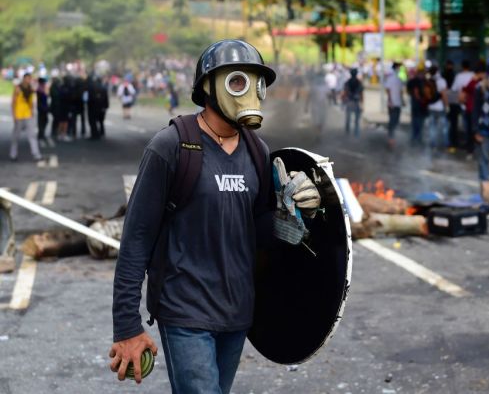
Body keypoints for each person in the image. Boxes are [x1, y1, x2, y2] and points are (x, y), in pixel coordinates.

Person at [110, 40, 320, 393]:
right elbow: (136, 239)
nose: (250, 93)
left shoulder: (257, 150)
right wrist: (127, 326)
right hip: (185, 311)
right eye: (238, 82)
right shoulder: (171, 147)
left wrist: (296, 214)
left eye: (257, 83)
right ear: (208, 86)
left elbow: (257, 232)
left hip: (237, 313)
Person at [9, 73, 42, 162]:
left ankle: (36, 154)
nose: (28, 80)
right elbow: (13, 102)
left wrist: (32, 112)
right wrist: (14, 115)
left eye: (29, 79)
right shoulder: (18, 88)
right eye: (27, 79)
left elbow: (32, 99)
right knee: (15, 136)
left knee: (32, 135)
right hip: (19, 114)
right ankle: (13, 154)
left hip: (28, 114)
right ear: (23, 79)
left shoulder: (31, 89)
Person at [461, 61, 487, 160]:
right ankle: (473, 151)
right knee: (474, 131)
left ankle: (472, 152)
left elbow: (464, 94)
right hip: (475, 110)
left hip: (473, 110)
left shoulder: (476, 82)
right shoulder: (476, 82)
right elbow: (464, 93)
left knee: (473, 131)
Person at [448, 60, 474, 153]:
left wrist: (450, 105)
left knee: (462, 125)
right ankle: (470, 146)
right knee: (470, 126)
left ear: (462, 67)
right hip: (471, 105)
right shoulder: (473, 75)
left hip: (461, 104)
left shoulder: (459, 76)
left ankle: (461, 144)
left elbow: (453, 90)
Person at [426, 65, 448, 152]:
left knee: (432, 127)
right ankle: (445, 144)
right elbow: (444, 95)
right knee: (444, 127)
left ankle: (433, 145)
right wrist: (446, 105)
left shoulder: (428, 81)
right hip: (440, 107)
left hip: (431, 106)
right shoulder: (441, 81)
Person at [407, 63, 427, 146]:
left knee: (415, 122)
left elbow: (409, 91)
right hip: (419, 105)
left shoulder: (411, 81)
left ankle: (414, 138)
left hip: (414, 104)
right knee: (419, 122)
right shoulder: (420, 81)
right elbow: (416, 91)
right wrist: (420, 99)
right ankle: (417, 139)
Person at [384, 62, 404, 148]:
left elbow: (400, 92)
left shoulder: (399, 79)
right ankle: (390, 139)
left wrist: (402, 101)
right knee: (392, 121)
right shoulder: (391, 78)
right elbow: (388, 90)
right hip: (392, 104)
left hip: (398, 103)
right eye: (399, 67)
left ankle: (393, 138)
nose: (399, 69)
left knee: (395, 121)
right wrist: (390, 100)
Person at [341, 68, 363, 137]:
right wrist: (362, 104)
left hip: (349, 102)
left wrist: (343, 101)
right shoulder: (359, 83)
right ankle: (356, 134)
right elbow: (361, 94)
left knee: (348, 118)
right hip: (356, 102)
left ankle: (347, 132)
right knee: (356, 120)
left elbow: (345, 93)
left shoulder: (347, 82)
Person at [36, 77, 51, 147]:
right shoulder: (40, 89)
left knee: (44, 121)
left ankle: (41, 134)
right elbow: (46, 95)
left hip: (43, 108)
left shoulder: (40, 88)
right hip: (42, 108)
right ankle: (40, 135)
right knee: (42, 121)